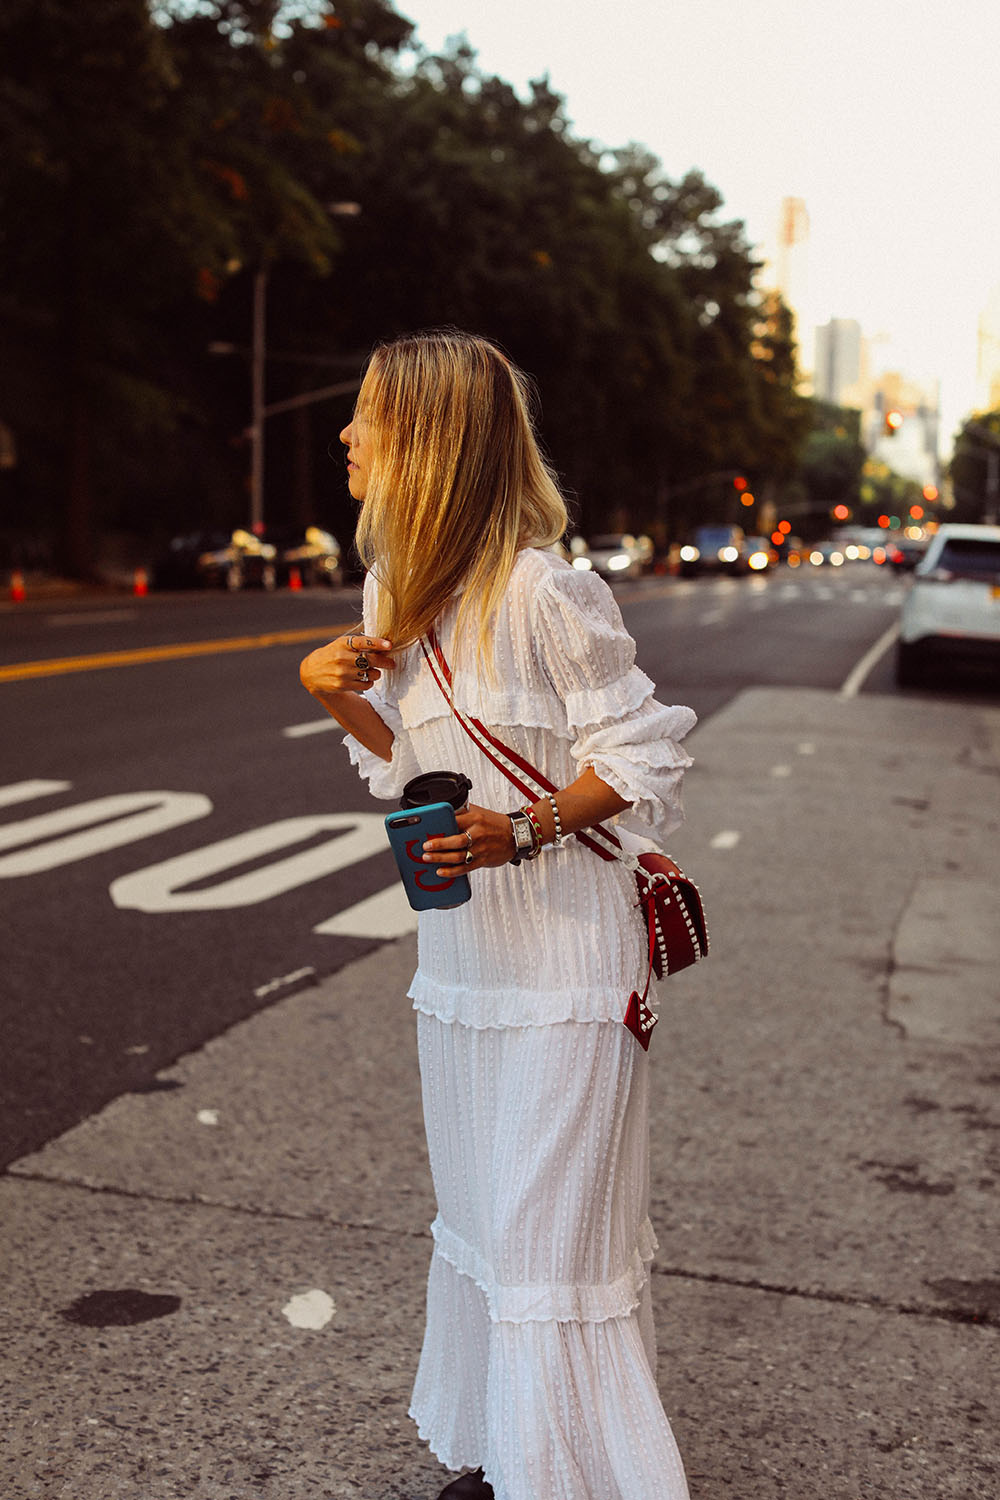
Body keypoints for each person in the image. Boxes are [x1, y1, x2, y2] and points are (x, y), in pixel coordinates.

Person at [300, 330, 695, 1500]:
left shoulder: (546, 594)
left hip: (571, 961)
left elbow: (642, 757)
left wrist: (520, 831)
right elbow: (415, 775)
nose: (345, 434)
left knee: (545, 1240)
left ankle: (560, 1479)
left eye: (366, 415)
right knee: (483, 1219)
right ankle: (510, 1457)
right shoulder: (393, 595)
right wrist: (338, 703)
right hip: (466, 959)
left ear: (426, 440)